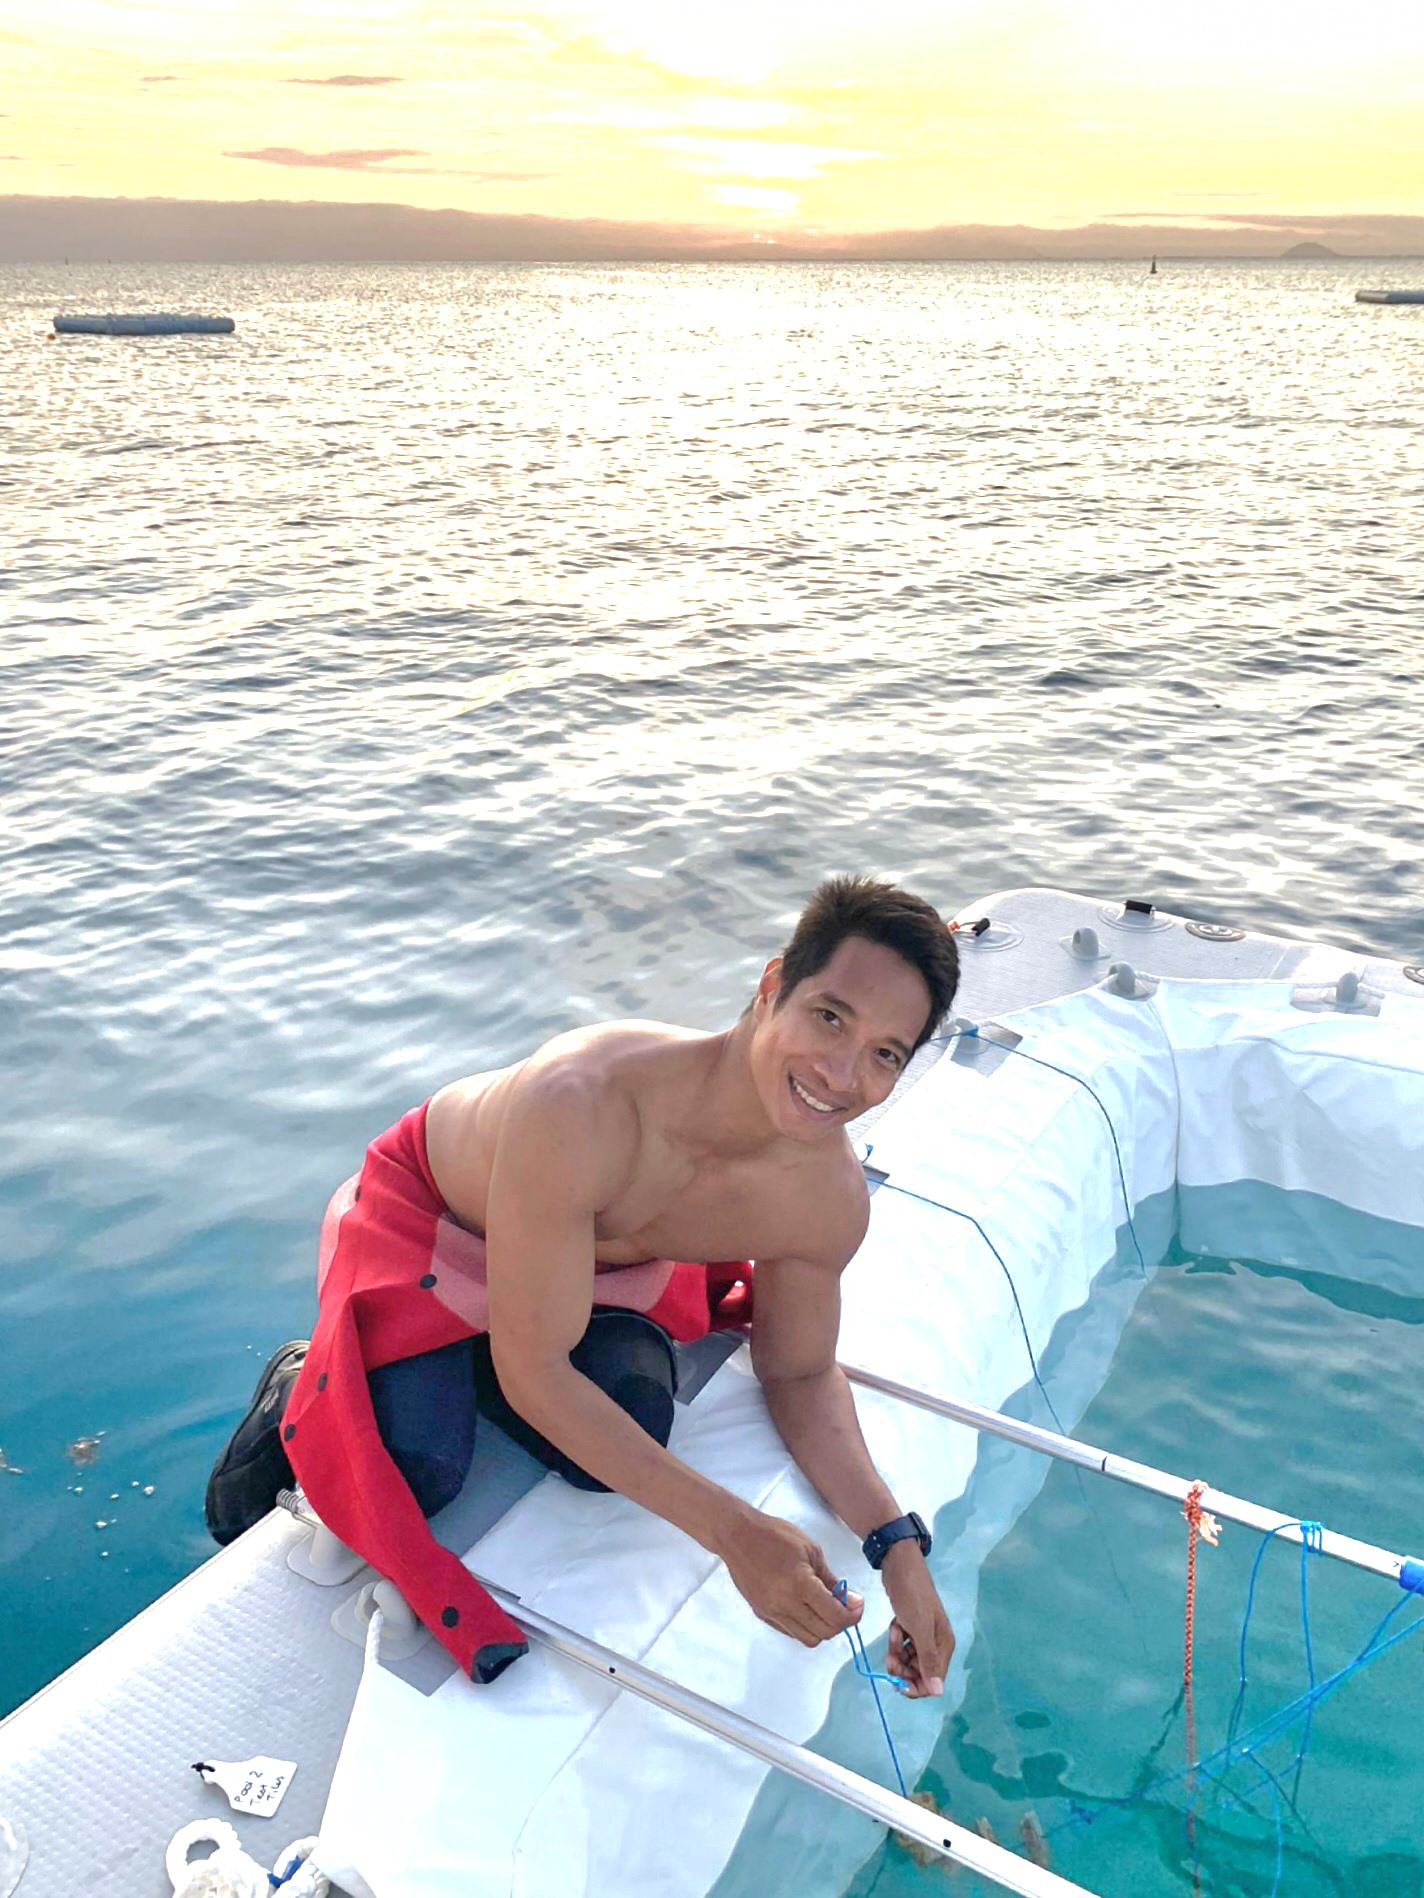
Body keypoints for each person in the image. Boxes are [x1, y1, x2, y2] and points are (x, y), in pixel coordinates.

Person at [206, 874, 960, 1691]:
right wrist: (737, 1534)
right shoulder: (585, 1102)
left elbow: (801, 1371)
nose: (843, 1074)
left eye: (886, 1053)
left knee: (626, 1434)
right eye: (829, 1017)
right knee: (413, 1465)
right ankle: (294, 1384)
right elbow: (539, 1375)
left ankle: (499, 1343)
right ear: (772, 985)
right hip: (438, 1230)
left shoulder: (822, 1200)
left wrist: (898, 1551)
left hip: (597, 1273)